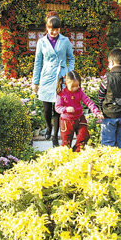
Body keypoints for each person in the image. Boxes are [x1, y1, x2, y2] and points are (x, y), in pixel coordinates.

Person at [32, 11, 75, 147]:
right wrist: (35, 81)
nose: (54, 32)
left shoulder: (65, 41)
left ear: (59, 29)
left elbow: (71, 58)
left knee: (58, 109)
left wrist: (68, 74)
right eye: (51, 28)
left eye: (56, 29)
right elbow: (38, 62)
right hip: (46, 76)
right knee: (46, 110)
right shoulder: (41, 42)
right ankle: (48, 127)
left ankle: (55, 136)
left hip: (60, 78)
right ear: (47, 27)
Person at [55, 71, 104, 152]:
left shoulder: (79, 92)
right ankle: (65, 157)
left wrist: (97, 112)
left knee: (84, 136)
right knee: (66, 142)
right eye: (72, 86)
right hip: (66, 121)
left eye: (77, 86)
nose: (75, 88)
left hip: (79, 118)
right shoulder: (61, 94)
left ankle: (76, 152)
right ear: (66, 83)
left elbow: (88, 102)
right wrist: (66, 109)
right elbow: (57, 108)